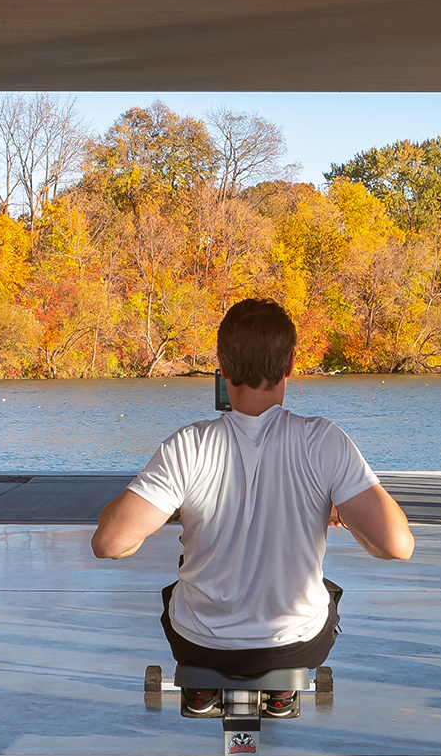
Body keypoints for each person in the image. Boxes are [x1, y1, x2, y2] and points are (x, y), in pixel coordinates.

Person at [93, 297, 416, 718]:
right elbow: (397, 545)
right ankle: (281, 694)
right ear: (289, 366)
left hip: (199, 643)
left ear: (222, 369)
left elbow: (109, 543)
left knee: (177, 587)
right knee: (326, 591)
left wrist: (174, 509)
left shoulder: (188, 446)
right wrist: (343, 513)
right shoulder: (323, 442)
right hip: (294, 646)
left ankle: (201, 688)